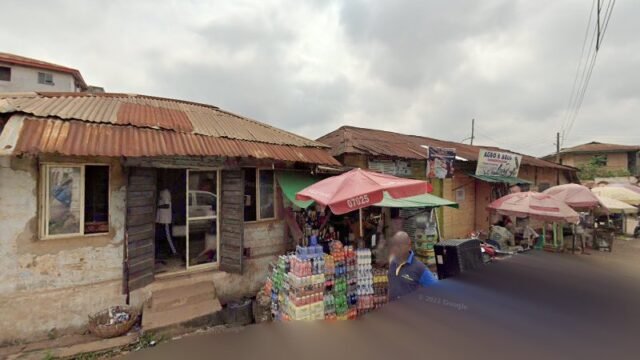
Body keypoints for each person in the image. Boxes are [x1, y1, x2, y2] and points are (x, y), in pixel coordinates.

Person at [388, 231, 437, 301]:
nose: (396, 248)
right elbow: (391, 286)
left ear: (409, 246)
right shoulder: (393, 263)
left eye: (400, 245)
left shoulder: (419, 268)